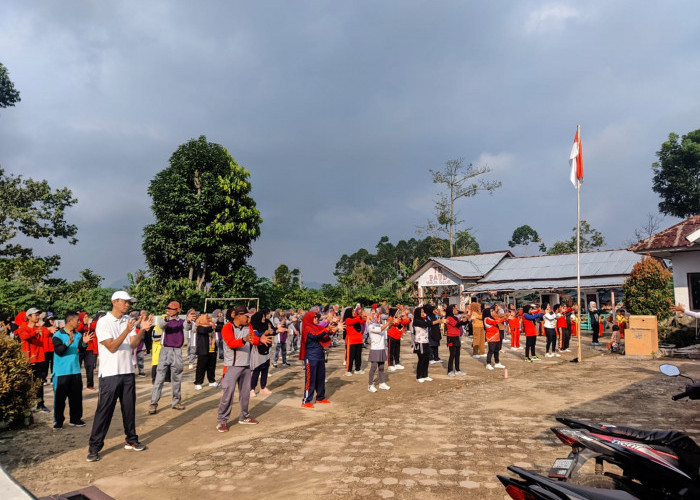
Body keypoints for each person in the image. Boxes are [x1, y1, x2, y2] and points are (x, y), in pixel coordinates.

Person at [87, 291, 153, 462]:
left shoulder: (127, 321)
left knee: (129, 409)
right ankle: (94, 448)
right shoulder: (103, 322)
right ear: (114, 301)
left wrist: (142, 331)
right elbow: (111, 347)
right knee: (104, 411)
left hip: (127, 371)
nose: (128, 305)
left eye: (129, 302)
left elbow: (133, 344)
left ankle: (131, 440)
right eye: (125, 301)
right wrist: (126, 331)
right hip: (110, 374)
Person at [216, 306, 270, 432]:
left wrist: (260, 339)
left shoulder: (248, 326)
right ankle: (222, 421)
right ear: (238, 316)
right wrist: (244, 339)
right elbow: (231, 343)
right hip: (231, 366)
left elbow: (253, 339)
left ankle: (244, 416)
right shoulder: (227, 327)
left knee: (245, 394)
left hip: (246, 365)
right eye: (247, 315)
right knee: (227, 394)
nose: (249, 318)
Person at [52, 311, 94, 429]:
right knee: (60, 399)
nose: (79, 322)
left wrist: (84, 343)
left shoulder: (78, 335)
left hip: (75, 370)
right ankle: (58, 422)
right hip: (61, 372)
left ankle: (75, 419)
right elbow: (59, 351)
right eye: (77, 320)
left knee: (76, 397)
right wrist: (68, 342)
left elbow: (81, 348)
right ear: (70, 321)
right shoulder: (57, 335)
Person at [149, 301, 186, 414]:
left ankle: (176, 402)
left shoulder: (182, 321)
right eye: (168, 308)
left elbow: (188, 327)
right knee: (159, 378)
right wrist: (166, 319)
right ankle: (153, 403)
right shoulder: (164, 319)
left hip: (177, 351)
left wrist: (189, 320)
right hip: (165, 350)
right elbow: (161, 325)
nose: (169, 310)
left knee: (176, 378)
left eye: (172, 309)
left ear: (178, 310)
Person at [17, 307, 52, 412]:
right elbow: (24, 336)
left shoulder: (40, 328)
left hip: (40, 359)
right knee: (26, 384)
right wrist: (36, 332)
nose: (38, 317)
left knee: (40, 383)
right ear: (29, 317)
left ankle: (40, 404)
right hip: (28, 360)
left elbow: (46, 333)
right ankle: (25, 406)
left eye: (38, 315)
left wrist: (50, 330)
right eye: (35, 315)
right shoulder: (23, 328)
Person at [300, 310, 336, 407]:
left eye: (317, 317)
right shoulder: (307, 327)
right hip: (311, 356)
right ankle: (306, 400)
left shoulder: (317, 327)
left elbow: (325, 335)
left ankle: (320, 397)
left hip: (319, 355)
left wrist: (333, 328)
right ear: (310, 318)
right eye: (315, 317)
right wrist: (326, 329)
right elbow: (315, 336)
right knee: (310, 379)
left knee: (320, 378)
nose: (317, 319)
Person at [249, 310, 273, 397]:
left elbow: (272, 331)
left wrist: (276, 330)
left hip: (266, 349)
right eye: (262, 316)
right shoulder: (254, 325)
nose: (264, 318)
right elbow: (256, 335)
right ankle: (251, 389)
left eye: (264, 316)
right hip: (257, 350)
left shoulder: (266, 324)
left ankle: (263, 387)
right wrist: (264, 333)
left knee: (265, 369)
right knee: (257, 369)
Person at [367, 311, 391, 392]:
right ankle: (370, 385)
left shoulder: (380, 324)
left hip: (381, 348)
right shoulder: (370, 326)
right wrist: (388, 323)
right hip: (375, 349)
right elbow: (381, 329)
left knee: (381, 367)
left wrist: (391, 322)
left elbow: (386, 327)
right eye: (372, 314)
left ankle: (381, 383)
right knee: (373, 367)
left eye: (376, 314)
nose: (375, 316)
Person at [193, 313, 218, 390]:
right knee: (201, 368)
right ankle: (198, 382)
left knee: (211, 367)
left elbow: (218, 326)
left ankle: (212, 381)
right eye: (207, 319)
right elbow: (205, 330)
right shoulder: (199, 327)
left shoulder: (211, 326)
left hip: (212, 350)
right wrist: (212, 327)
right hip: (203, 350)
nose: (209, 320)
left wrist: (213, 326)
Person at [445, 304, 469, 376]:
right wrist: (464, 320)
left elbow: (462, 323)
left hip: (457, 337)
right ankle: (450, 370)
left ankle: (457, 369)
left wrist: (467, 319)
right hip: (451, 337)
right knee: (452, 354)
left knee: (457, 354)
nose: (457, 310)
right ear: (451, 310)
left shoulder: (455, 317)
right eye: (455, 309)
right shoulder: (449, 318)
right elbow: (457, 324)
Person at [411, 306, 432, 383]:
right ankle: (419, 376)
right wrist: (437, 321)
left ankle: (425, 375)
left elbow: (429, 323)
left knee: (427, 359)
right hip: (419, 343)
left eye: (423, 312)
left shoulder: (424, 319)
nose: (423, 313)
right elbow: (426, 325)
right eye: (422, 312)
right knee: (421, 359)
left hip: (426, 342)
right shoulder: (416, 321)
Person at [343, 306, 365, 376]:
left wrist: (363, 315)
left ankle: (357, 369)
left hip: (358, 340)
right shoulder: (347, 320)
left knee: (358, 356)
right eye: (352, 311)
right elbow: (355, 320)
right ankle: (348, 370)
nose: (354, 312)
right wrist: (359, 316)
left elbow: (363, 320)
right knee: (350, 356)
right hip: (351, 341)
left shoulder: (356, 318)